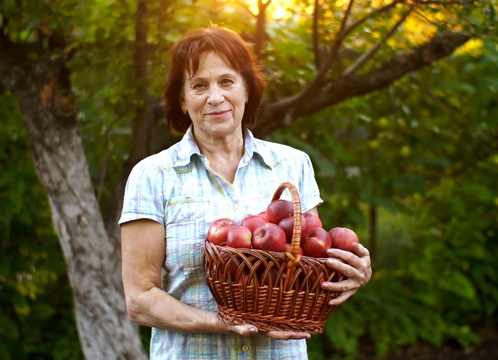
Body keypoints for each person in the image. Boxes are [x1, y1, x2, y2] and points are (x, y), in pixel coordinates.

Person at [119, 25, 372, 360]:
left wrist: (349, 272)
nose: (215, 97)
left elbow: (310, 267)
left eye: (226, 81)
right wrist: (222, 323)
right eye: (199, 85)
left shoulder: (291, 165)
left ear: (247, 90)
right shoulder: (153, 176)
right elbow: (140, 300)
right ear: (182, 100)